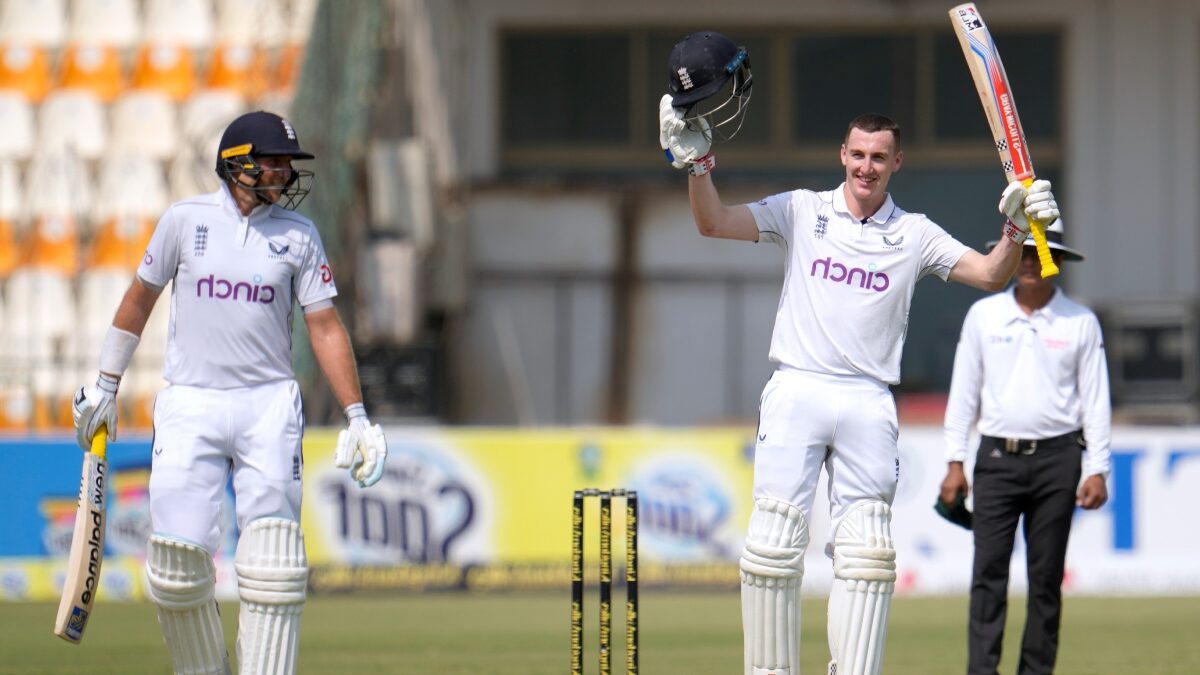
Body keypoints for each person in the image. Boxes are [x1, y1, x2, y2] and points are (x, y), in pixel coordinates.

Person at [658, 31, 1062, 675]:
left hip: (869, 398)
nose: (866, 167)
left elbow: (991, 274)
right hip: (798, 387)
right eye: (857, 155)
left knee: (868, 555)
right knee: (772, 545)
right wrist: (696, 167)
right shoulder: (800, 210)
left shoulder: (915, 233)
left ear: (896, 162)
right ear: (841, 155)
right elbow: (713, 222)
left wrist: (1015, 229)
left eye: (878, 157)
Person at [70, 110, 388, 675]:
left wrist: (357, 415)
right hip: (191, 401)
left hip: (268, 404)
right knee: (175, 562)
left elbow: (324, 326)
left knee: (275, 564)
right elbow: (139, 299)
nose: (284, 174)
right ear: (236, 163)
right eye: (273, 162)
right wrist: (105, 385)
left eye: (288, 164)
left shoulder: (300, 235)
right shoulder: (183, 220)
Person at [939, 218, 1111, 675]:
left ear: (1059, 262)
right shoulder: (984, 316)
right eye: (1025, 252)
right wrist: (955, 461)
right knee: (988, 574)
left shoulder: (1080, 322)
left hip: (1059, 459)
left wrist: (1098, 468)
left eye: (1042, 253)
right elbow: (963, 394)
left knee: (1046, 577)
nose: (1031, 262)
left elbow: (1095, 400)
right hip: (997, 458)